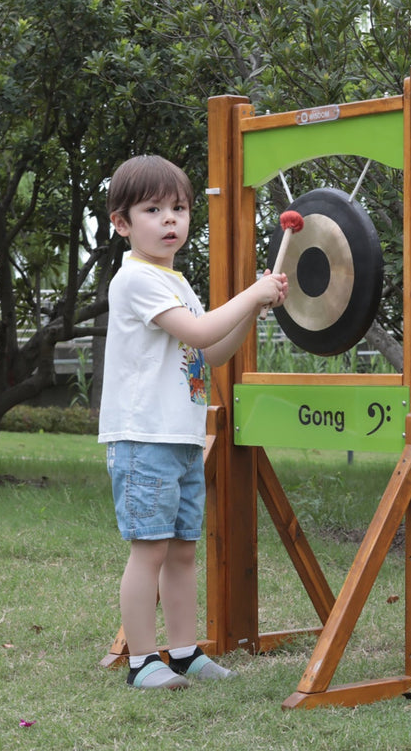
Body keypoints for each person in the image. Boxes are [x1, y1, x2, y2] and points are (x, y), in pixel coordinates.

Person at [98, 155, 288, 689]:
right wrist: (250, 292)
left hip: (180, 436)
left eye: (178, 209)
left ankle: (182, 653)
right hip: (144, 437)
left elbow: (215, 350)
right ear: (121, 222)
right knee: (150, 551)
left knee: (182, 551)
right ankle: (142, 662)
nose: (169, 220)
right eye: (153, 209)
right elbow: (202, 333)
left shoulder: (176, 281)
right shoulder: (136, 280)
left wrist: (252, 309)